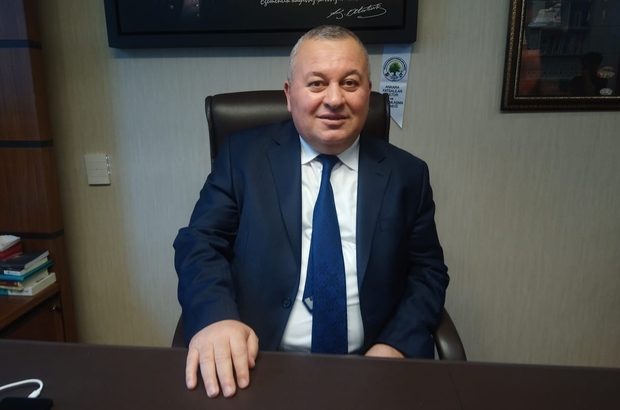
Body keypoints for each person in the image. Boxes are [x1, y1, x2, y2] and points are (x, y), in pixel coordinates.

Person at [173, 25, 449, 399]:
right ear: (289, 95)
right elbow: (199, 242)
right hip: (257, 364)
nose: (334, 99)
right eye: (317, 84)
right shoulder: (243, 158)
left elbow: (428, 272)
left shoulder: (407, 174)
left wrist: (396, 345)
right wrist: (216, 318)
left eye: (350, 83)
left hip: (372, 368)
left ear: (368, 92)